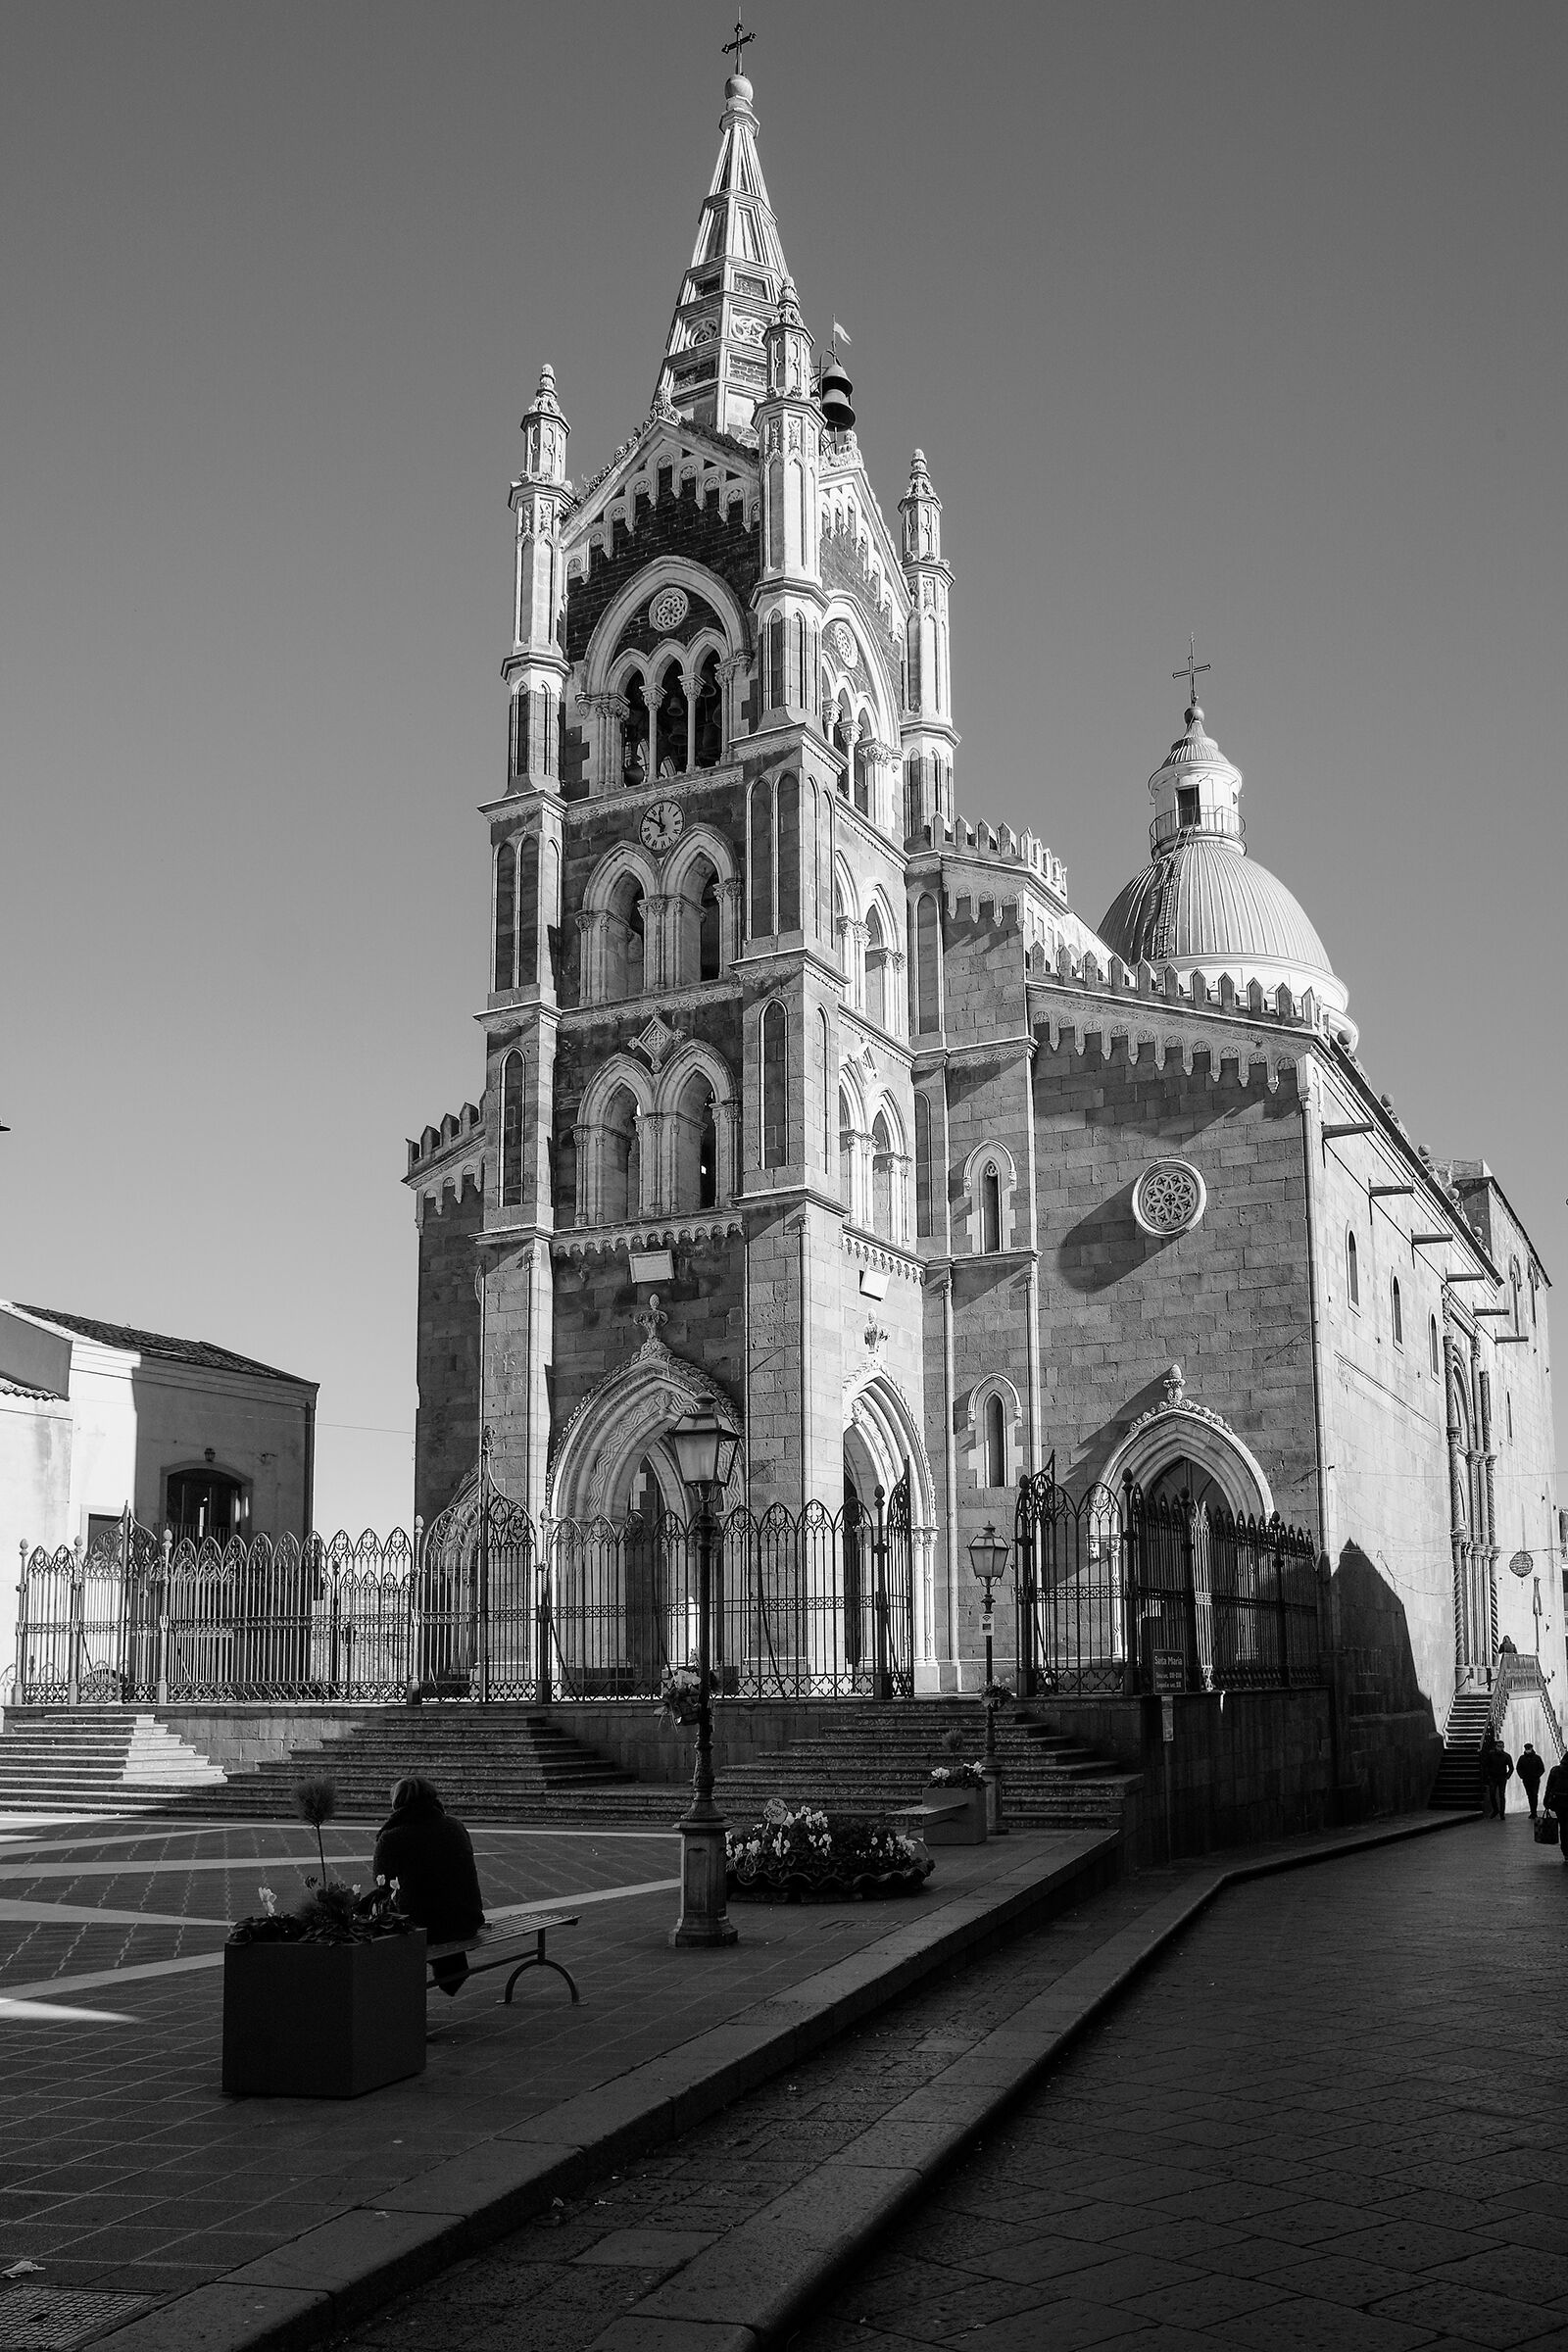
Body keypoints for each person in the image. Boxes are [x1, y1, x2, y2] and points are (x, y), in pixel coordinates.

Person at [372, 1777, 485, 1958]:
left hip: (423, 1926)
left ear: (397, 1802)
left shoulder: (392, 1837)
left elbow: (382, 1883)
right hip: (467, 1920)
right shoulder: (455, 1826)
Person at [1480, 1731, 1513, 1820]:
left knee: (1502, 1795)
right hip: (1493, 1777)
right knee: (1492, 1794)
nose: (1499, 1748)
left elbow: (1511, 1767)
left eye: (1501, 1747)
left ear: (1503, 1747)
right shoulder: (1491, 1755)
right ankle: (1495, 1809)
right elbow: (1486, 1764)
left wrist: (1507, 1776)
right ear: (1496, 1746)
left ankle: (1502, 1813)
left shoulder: (1506, 1756)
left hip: (1502, 1777)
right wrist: (1488, 1774)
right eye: (1498, 1746)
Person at [1518, 1742, 1545, 1822]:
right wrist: (1522, 1776)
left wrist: (1536, 1775)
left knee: (1534, 1795)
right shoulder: (1522, 1758)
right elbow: (1519, 1768)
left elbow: (1542, 1769)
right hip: (1526, 1780)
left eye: (1529, 1749)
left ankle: (1534, 1812)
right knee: (1530, 1796)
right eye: (1527, 1749)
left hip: (1535, 1780)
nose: (1528, 1750)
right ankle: (1532, 1812)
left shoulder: (1537, 1758)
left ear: (1531, 1749)